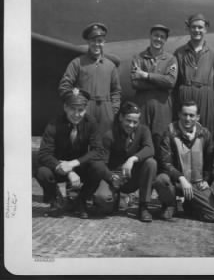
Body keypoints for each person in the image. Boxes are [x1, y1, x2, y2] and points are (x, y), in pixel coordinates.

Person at [36, 88, 104, 219]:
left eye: (81, 110)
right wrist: (68, 171)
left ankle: (82, 201)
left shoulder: (91, 122)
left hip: (80, 165)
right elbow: (44, 154)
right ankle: (55, 200)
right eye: (73, 109)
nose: (77, 114)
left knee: (99, 168)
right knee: (42, 171)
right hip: (59, 167)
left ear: (86, 109)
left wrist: (74, 163)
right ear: (65, 107)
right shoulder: (54, 123)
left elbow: (98, 150)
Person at [153, 101, 214, 222]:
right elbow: (165, 162)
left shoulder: (205, 134)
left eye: (191, 115)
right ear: (179, 114)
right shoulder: (169, 132)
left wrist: (207, 180)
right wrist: (181, 178)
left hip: (197, 184)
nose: (187, 118)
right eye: (184, 114)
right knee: (161, 180)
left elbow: (210, 161)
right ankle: (170, 204)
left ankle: (190, 205)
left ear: (197, 117)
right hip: (175, 182)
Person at [58, 22, 121, 133]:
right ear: (88, 42)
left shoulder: (111, 66)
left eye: (100, 41)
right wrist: (75, 101)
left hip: (105, 111)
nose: (97, 44)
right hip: (84, 108)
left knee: (104, 143)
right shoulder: (77, 63)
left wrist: (113, 110)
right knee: (83, 142)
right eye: (93, 41)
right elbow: (64, 86)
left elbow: (116, 91)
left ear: (104, 42)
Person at [102, 101, 157, 222]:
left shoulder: (143, 130)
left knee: (151, 163)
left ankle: (144, 206)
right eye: (128, 120)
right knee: (103, 202)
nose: (131, 125)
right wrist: (111, 177)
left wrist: (132, 159)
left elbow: (150, 148)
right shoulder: (109, 134)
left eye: (135, 122)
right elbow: (102, 163)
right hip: (114, 177)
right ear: (121, 117)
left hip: (133, 176)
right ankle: (116, 198)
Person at [130, 24, 178, 160]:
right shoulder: (138, 58)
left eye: (162, 37)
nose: (158, 39)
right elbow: (135, 82)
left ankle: (161, 174)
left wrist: (146, 76)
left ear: (165, 40)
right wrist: (160, 83)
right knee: (141, 137)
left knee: (161, 139)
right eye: (156, 35)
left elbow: (170, 82)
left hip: (162, 107)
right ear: (150, 37)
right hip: (143, 104)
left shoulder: (171, 59)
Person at [174, 13, 214, 135]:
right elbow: (175, 81)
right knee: (184, 132)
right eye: (193, 27)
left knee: (205, 133)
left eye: (200, 27)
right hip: (185, 94)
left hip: (206, 96)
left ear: (205, 29)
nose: (197, 30)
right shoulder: (179, 53)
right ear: (188, 29)